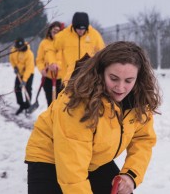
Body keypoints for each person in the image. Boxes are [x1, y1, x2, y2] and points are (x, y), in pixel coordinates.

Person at [25, 41, 162, 194]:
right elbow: (73, 169)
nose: (121, 87)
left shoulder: (138, 101)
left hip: (93, 159)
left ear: (138, 78)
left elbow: (142, 139)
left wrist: (130, 175)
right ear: (101, 71)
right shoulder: (79, 102)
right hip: (49, 158)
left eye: (129, 80)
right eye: (114, 78)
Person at [46, 12, 105, 86]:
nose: (81, 31)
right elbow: (51, 49)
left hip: (88, 76)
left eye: (83, 29)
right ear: (73, 26)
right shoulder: (63, 35)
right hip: (68, 78)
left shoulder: (94, 35)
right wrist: (52, 62)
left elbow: (103, 52)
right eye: (78, 29)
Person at [36, 21, 64, 106]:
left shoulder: (64, 44)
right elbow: (39, 60)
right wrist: (42, 70)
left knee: (60, 104)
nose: (55, 34)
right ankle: (51, 119)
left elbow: (66, 59)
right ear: (50, 31)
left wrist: (57, 66)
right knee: (50, 103)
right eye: (54, 32)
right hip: (48, 78)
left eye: (58, 32)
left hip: (61, 79)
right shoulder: (44, 43)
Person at [9, 37, 34, 115]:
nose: (19, 49)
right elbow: (11, 59)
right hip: (19, 73)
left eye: (21, 47)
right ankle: (21, 105)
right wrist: (14, 67)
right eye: (18, 47)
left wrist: (24, 80)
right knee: (17, 89)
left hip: (29, 73)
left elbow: (29, 68)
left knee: (27, 89)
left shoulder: (29, 53)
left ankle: (28, 105)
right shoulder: (13, 50)